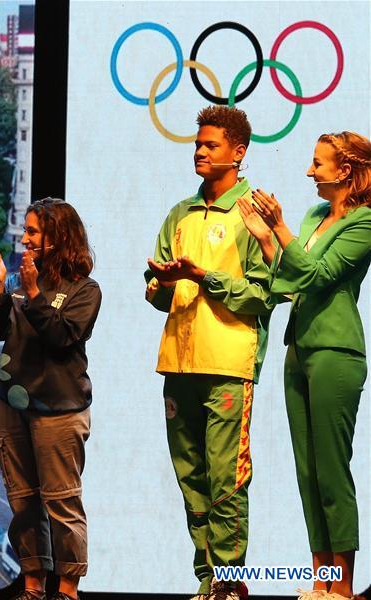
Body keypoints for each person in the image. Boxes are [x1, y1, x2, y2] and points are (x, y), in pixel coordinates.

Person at [144, 106, 273, 600]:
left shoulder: (254, 214)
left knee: (226, 479)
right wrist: (162, 283)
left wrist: (204, 278)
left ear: (238, 153)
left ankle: (230, 581)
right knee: (190, 478)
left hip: (228, 365)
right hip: (177, 363)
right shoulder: (179, 213)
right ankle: (207, 577)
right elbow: (155, 290)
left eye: (210, 145)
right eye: (197, 144)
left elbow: (263, 294)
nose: (199, 151)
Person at [238, 131, 371, 600]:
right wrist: (266, 240)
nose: (309, 171)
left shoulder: (365, 222)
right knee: (308, 472)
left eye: (318, 163)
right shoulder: (316, 215)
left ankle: (344, 587)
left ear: (346, 170)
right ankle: (321, 583)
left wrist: (279, 228)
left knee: (332, 471)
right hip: (298, 347)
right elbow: (291, 279)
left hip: (335, 351)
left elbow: (317, 275)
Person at [0, 198, 101, 600]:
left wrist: (32, 293)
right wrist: (0, 287)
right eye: (25, 231)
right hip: (12, 406)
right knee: (23, 500)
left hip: (58, 412)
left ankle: (66, 589)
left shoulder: (84, 289)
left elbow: (61, 337)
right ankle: (32, 585)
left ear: (58, 237)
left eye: (32, 232)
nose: (25, 239)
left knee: (61, 503)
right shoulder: (19, 280)